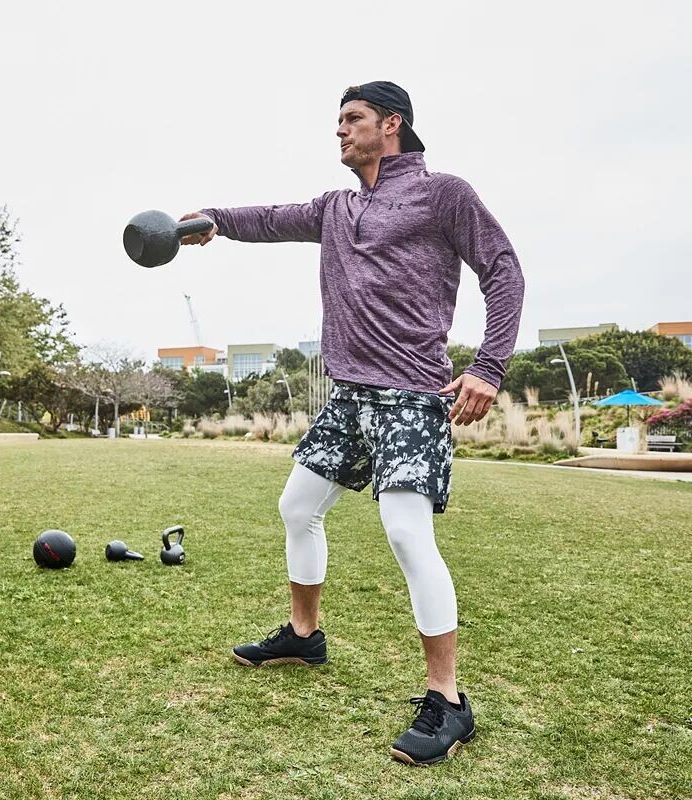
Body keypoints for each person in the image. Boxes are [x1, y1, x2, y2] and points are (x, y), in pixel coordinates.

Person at [179, 80, 525, 767]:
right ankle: (304, 636)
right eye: (338, 119)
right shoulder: (337, 207)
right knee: (297, 507)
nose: (340, 130)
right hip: (349, 398)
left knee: (405, 530)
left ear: (391, 124)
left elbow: (504, 271)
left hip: (411, 396)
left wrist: (489, 366)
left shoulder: (444, 194)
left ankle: (448, 701)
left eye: (352, 118)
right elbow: (272, 218)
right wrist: (213, 218)